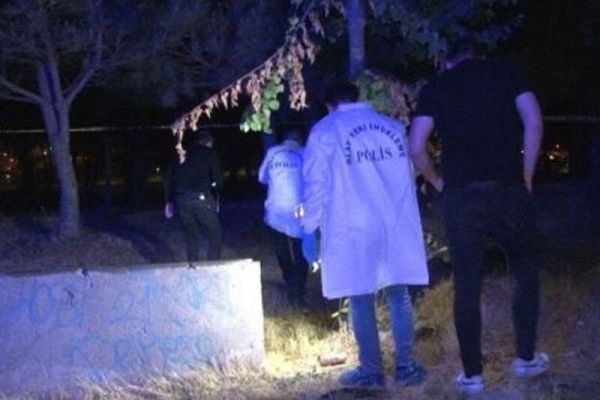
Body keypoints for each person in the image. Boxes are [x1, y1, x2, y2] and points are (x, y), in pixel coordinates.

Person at [408, 39, 548, 395]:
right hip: (508, 188)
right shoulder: (507, 72)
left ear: (448, 61)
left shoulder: (438, 85)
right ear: (480, 55)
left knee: (467, 284)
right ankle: (526, 358)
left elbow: (416, 146)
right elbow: (533, 121)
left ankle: (472, 376)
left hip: (461, 195)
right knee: (525, 272)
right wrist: (526, 174)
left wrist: (438, 181)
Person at [300, 83, 429, 389]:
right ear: (356, 98)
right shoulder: (391, 127)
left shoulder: (325, 131)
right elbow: (407, 177)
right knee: (398, 293)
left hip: (353, 226)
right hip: (394, 222)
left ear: (329, 105)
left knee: (360, 296)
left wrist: (308, 228)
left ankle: (372, 371)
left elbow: (316, 185)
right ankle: (406, 366)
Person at [258, 129, 309, 305]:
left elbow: (262, 178)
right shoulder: (305, 153)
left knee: (281, 250)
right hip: (299, 211)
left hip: (275, 211)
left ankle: (289, 280)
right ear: (299, 140)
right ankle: (299, 291)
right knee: (300, 252)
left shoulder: (273, 153)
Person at [164, 130, 223, 262]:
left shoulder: (181, 154)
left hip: (181, 199)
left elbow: (168, 178)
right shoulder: (209, 153)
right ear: (209, 143)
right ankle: (212, 267)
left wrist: (168, 201)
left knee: (191, 237)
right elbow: (218, 181)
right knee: (215, 236)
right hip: (201, 198)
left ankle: (192, 266)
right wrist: (214, 195)